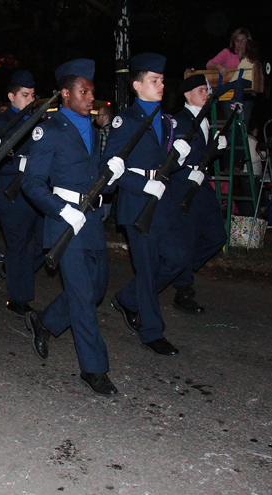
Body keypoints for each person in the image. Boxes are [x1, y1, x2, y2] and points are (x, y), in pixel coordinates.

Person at [21, 59, 123, 396]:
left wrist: (112, 176)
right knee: (81, 297)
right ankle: (94, 368)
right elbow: (32, 184)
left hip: (91, 220)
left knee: (96, 290)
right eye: (84, 91)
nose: (91, 97)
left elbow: (93, 181)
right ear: (65, 94)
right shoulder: (48, 130)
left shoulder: (92, 130)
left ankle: (45, 321)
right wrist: (62, 210)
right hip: (66, 222)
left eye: (92, 91)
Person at [102, 53, 191, 356]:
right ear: (138, 85)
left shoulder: (167, 120)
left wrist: (181, 158)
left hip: (162, 200)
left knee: (178, 258)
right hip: (138, 202)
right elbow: (110, 166)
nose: (161, 85)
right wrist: (142, 184)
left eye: (163, 80)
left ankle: (129, 298)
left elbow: (168, 165)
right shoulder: (125, 120)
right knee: (149, 268)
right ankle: (151, 330)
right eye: (154, 80)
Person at [167, 74, 228, 314]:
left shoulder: (205, 119)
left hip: (202, 184)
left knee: (217, 236)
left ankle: (180, 269)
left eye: (207, 89)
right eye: (202, 89)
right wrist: (185, 173)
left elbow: (200, 154)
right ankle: (183, 289)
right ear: (187, 94)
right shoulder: (180, 121)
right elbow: (172, 158)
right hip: (185, 186)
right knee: (188, 237)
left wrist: (215, 150)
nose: (206, 92)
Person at [0, 70, 42, 316]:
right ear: (11, 96)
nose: (30, 100)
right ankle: (19, 298)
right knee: (19, 244)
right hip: (10, 193)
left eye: (32, 95)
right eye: (25, 95)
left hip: (36, 192)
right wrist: (20, 163)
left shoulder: (40, 122)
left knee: (41, 242)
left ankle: (13, 268)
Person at [95, 105, 115, 220]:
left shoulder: (102, 133)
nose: (96, 118)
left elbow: (101, 155)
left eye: (99, 115)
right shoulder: (115, 131)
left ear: (106, 117)